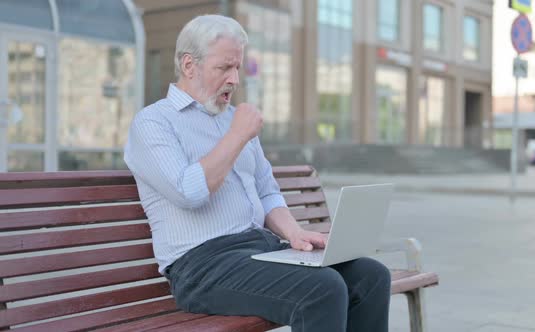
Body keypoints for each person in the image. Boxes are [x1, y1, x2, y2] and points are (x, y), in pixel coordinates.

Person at [124, 14, 391, 332]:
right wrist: (237, 135)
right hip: (201, 266)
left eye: (237, 67)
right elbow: (188, 192)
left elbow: (266, 189)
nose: (235, 79)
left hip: (260, 249)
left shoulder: (233, 117)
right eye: (224, 67)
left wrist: (294, 233)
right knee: (322, 289)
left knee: (371, 277)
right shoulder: (154, 122)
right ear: (188, 65)